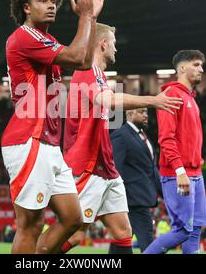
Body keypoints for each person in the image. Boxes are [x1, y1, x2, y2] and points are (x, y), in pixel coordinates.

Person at [1, 0, 105, 254]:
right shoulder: (26, 36)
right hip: (28, 139)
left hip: (47, 143)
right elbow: (74, 57)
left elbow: (84, 61)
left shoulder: (45, 38)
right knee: (30, 226)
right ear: (26, 7)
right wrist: (85, 15)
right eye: (42, 0)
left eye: (54, 1)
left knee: (73, 218)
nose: (52, 6)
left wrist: (91, 18)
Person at [61, 23, 183, 254]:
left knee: (123, 233)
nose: (116, 49)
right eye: (114, 44)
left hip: (105, 167)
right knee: (75, 234)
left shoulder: (98, 75)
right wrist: (153, 100)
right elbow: (109, 102)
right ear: (103, 44)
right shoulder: (87, 70)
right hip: (87, 163)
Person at [144, 50, 206, 254]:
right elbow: (166, 138)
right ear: (182, 68)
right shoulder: (171, 95)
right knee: (182, 230)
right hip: (178, 174)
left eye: (201, 65)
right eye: (196, 64)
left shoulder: (189, 97)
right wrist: (180, 170)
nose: (201, 69)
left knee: (195, 228)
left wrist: (196, 159)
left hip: (195, 173)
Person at [111, 107, 162, 252]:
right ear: (129, 114)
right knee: (147, 240)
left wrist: (166, 194)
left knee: (121, 241)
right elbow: (115, 168)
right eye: (141, 112)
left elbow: (151, 170)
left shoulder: (142, 136)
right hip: (132, 199)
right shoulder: (121, 135)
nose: (146, 115)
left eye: (146, 112)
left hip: (140, 197)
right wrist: (118, 197)